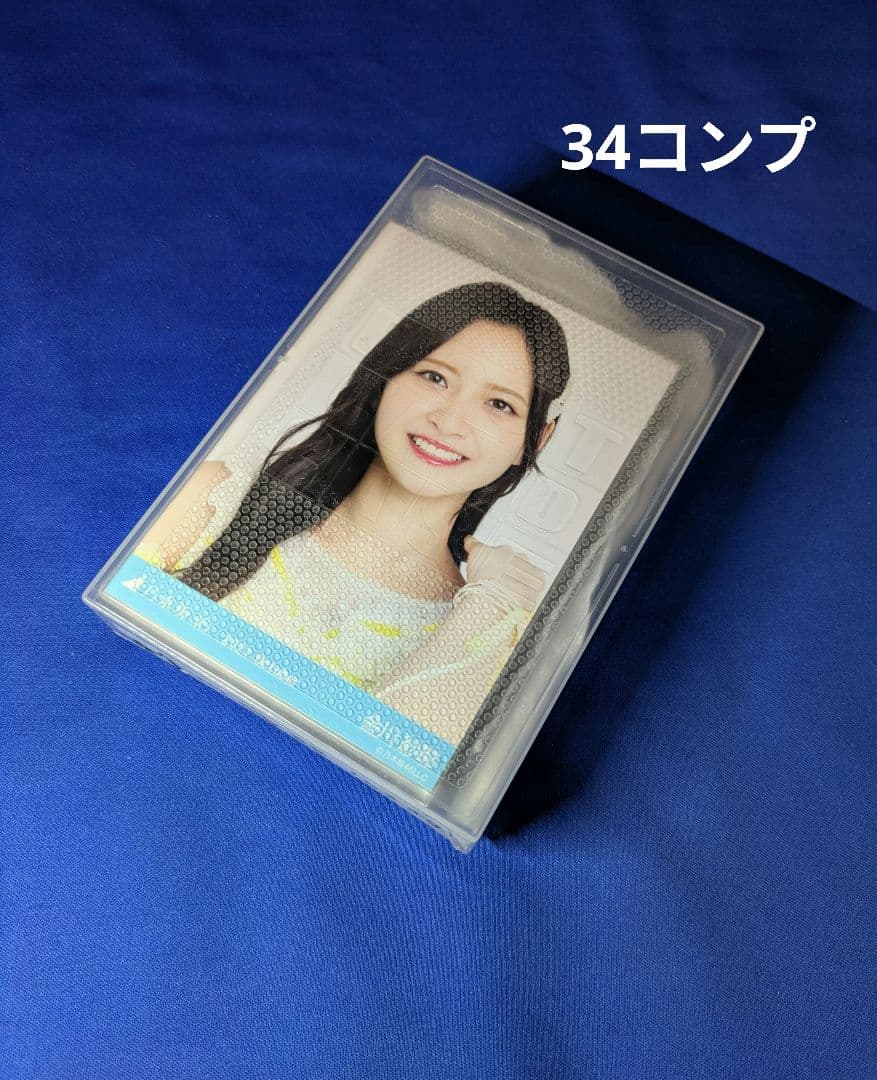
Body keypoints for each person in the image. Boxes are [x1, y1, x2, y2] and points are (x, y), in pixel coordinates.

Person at [136, 282, 570, 744]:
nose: (449, 422)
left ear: (536, 440)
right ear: (386, 375)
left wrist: (491, 609)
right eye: (435, 377)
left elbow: (389, 759)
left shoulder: (482, 630)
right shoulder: (216, 495)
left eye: (500, 404)